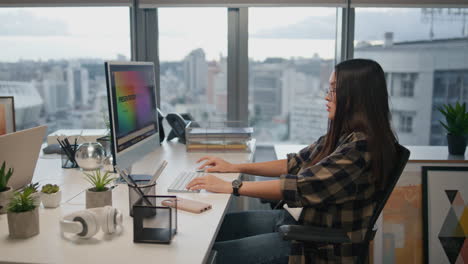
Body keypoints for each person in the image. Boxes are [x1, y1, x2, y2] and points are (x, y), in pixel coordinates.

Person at [187, 58, 398, 263]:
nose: (327, 97)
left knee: (212, 256)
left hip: (316, 247)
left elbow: (300, 187)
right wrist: (235, 167)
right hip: (303, 224)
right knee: (213, 230)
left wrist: (233, 186)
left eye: (334, 89)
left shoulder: (361, 148)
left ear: (356, 95)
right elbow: (295, 162)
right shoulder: (345, 135)